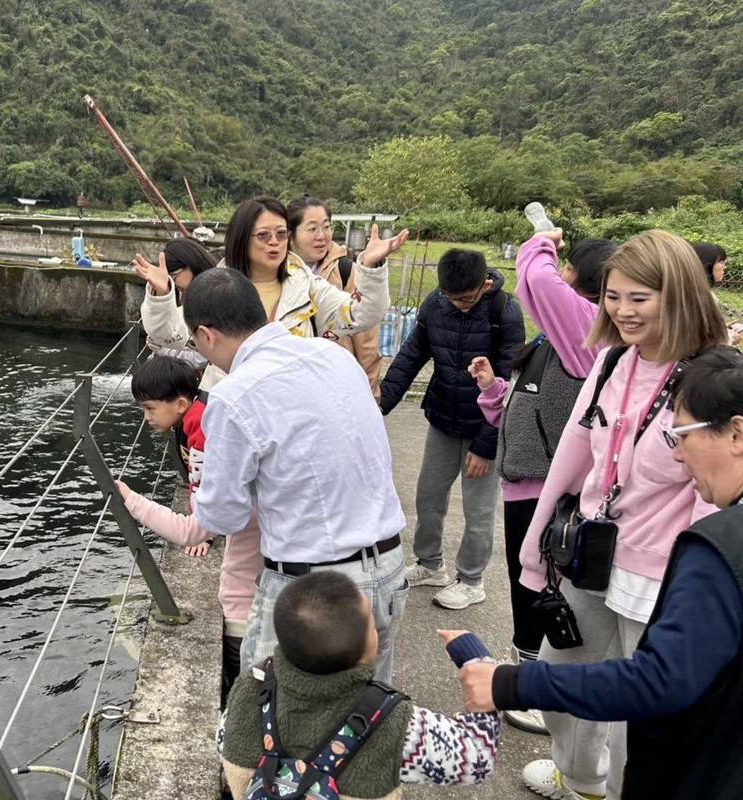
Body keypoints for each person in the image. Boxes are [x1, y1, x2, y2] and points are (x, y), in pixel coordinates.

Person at [454, 347, 743, 800]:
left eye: (680, 435)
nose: (679, 456)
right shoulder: (614, 364)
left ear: (736, 434)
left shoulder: (720, 547)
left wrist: (511, 682)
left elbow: (658, 683)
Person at [512, 229, 727, 800]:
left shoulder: (710, 376)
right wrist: (535, 545)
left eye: (641, 297)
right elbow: (573, 455)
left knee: (642, 715)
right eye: (614, 296)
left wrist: (701, 590)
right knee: (561, 676)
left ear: (678, 294)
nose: (623, 311)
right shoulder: (612, 361)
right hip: (593, 553)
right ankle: (580, 780)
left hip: (661, 573)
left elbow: (717, 491)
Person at [182, 268, 407, 683]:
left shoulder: (234, 396)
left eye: (194, 342)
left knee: (278, 724)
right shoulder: (335, 356)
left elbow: (222, 517)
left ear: (206, 335)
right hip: (388, 566)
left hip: (315, 591)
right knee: (370, 723)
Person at [467, 230, 614, 733]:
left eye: (569, 266)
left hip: (549, 488)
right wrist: (494, 391)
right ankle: (532, 681)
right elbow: (529, 404)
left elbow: (536, 279)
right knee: (524, 583)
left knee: (540, 589)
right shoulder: (561, 335)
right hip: (527, 481)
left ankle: (536, 693)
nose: (561, 274)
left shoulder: (592, 329)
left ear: (584, 279)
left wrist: (541, 241)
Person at [219, 571, 502, 799]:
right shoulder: (394, 721)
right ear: (368, 650)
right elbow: (478, 758)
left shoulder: (251, 686)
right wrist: (479, 665)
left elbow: (225, 742)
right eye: (370, 620)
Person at [380, 249, 526, 610]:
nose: (458, 304)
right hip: (443, 417)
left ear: (485, 284)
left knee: (478, 510)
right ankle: (430, 564)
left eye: (466, 298)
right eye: (452, 297)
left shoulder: (504, 311)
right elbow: (411, 356)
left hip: (486, 425)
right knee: (428, 495)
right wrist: (378, 408)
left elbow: (510, 382)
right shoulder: (436, 304)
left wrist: (487, 445)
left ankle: (471, 580)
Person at [135, 196, 404, 391]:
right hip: (232, 405)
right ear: (242, 238)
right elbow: (169, 335)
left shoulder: (305, 284)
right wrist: (162, 294)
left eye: (281, 234)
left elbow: (363, 315)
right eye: (263, 236)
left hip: (292, 407)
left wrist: (370, 269)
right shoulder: (218, 286)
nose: (275, 242)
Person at [114, 355, 262, 698]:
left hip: (254, 536)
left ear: (180, 403)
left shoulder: (203, 432)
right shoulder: (198, 417)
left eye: (150, 409)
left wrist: (131, 500)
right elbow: (202, 489)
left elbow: (190, 527)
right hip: (256, 526)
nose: (147, 418)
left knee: (237, 592)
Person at [287, 195, 383, 399]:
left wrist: (369, 390)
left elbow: (366, 338)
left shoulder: (345, 269)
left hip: (337, 385)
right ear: (290, 234)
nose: (322, 236)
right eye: (312, 229)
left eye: (327, 227)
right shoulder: (277, 274)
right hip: (292, 384)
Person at [130, 238, 218, 365]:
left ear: (191, 264)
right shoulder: (188, 293)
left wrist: (164, 350)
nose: (173, 284)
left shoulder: (216, 296)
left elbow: (206, 356)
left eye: (174, 277)